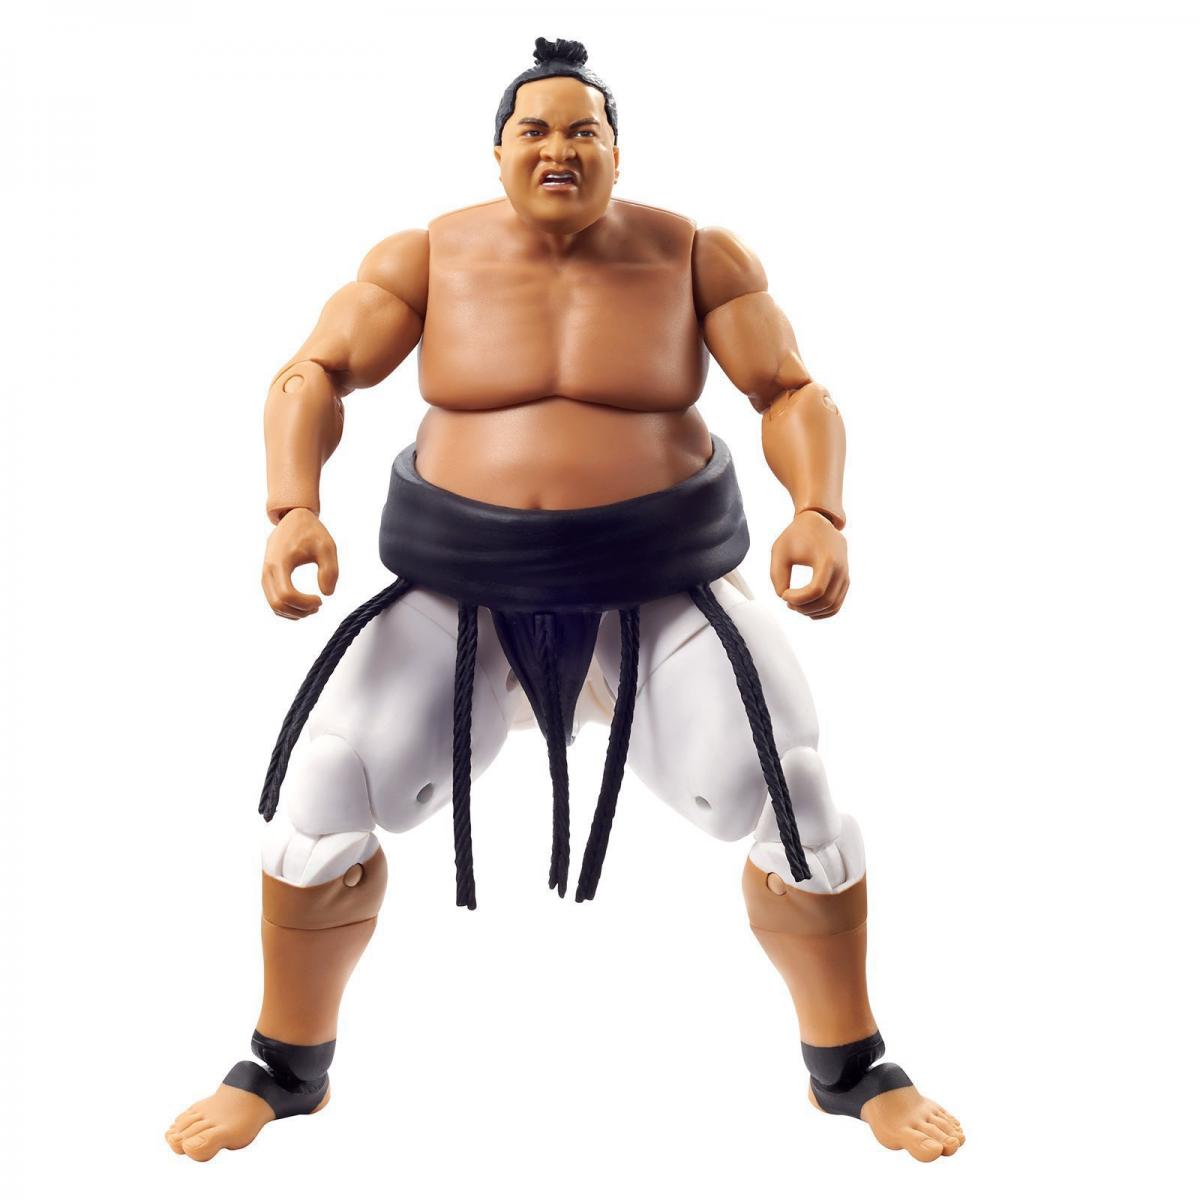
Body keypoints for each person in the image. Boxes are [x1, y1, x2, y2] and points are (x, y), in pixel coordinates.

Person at [166, 37, 963, 1164]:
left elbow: (790, 390)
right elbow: (314, 373)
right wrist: (292, 507)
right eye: (534, 130)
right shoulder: (426, 256)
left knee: (798, 800)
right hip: (464, 589)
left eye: (583, 130)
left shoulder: (695, 255)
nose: (558, 148)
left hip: (664, 586)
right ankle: (287, 1068)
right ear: (496, 152)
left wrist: (819, 512)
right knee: (320, 792)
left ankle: (850, 1068)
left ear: (616, 153)